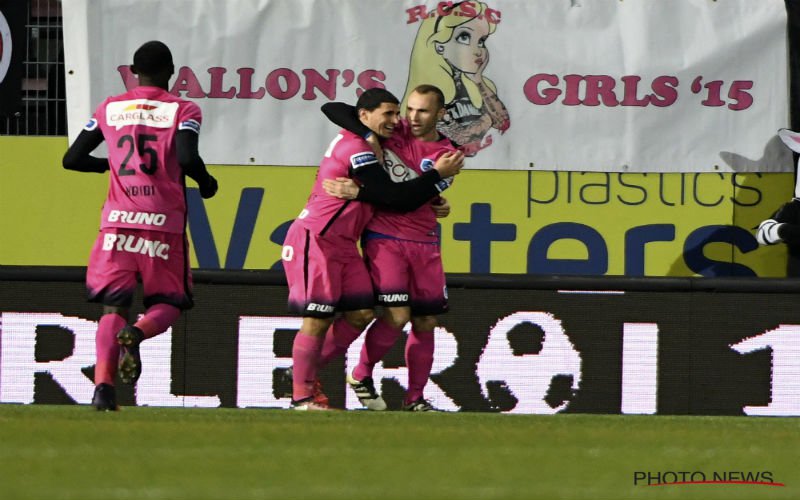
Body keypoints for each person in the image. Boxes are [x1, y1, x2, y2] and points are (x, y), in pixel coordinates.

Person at [282, 88, 464, 410]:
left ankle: (306, 373)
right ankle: (302, 393)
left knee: (365, 313)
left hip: (356, 243)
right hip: (322, 236)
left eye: (415, 112)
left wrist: (364, 191)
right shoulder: (360, 144)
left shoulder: (447, 155)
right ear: (364, 116)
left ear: (440, 113)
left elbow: (404, 197)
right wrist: (366, 135)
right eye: (400, 112)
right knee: (322, 317)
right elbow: (333, 107)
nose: (404, 119)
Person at [62, 41, 218, 411]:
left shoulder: (110, 108)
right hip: (163, 225)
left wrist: (110, 165)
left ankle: (103, 388)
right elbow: (185, 155)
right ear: (172, 72)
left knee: (112, 308)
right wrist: (206, 180)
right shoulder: (184, 108)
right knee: (169, 302)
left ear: (133, 70)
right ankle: (138, 333)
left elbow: (72, 158)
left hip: (117, 224)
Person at [403, 1, 510, 156]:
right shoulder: (426, 93)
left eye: (481, 41)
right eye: (464, 37)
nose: (478, 50)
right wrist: (486, 120)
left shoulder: (479, 84)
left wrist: (478, 79)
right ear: (440, 45)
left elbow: (503, 122)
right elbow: (460, 140)